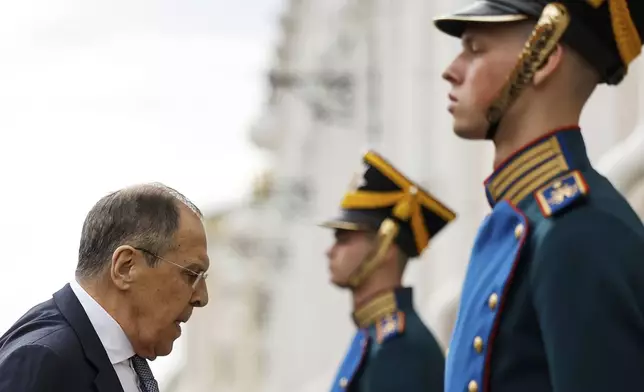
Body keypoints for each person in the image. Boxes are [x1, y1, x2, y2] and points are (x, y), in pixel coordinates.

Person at [433, 1, 644, 391]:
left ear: (543, 59)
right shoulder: (525, 223)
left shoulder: (580, 231)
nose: (451, 70)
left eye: (475, 50)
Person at [0, 183, 209, 392]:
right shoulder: (42, 360)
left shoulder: (119, 357)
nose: (202, 297)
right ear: (126, 267)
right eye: (191, 274)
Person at [320, 150, 457, 391]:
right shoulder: (373, 337)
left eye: (344, 239)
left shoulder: (398, 348)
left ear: (386, 246)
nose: (330, 251)